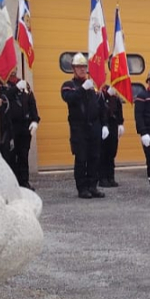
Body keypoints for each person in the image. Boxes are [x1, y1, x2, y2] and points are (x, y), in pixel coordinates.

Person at [61, 54, 107, 199]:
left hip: (94, 126)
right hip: (79, 128)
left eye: (84, 67)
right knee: (81, 158)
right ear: (73, 69)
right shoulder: (68, 85)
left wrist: (104, 124)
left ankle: (93, 186)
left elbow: (101, 107)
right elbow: (69, 98)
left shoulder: (92, 87)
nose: (82, 69)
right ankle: (82, 188)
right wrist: (82, 89)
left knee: (95, 157)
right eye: (79, 67)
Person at [6, 72, 39, 189]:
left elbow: (32, 102)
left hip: (24, 126)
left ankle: (24, 181)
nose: (13, 70)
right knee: (11, 156)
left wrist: (35, 120)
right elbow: (4, 97)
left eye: (15, 67)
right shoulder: (2, 84)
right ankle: (13, 183)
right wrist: (16, 88)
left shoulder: (24, 84)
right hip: (10, 127)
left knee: (23, 155)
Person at [98, 84, 124, 188]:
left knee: (112, 152)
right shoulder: (100, 96)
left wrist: (121, 123)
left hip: (113, 126)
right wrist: (106, 96)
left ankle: (111, 177)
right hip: (104, 126)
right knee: (103, 153)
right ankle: (102, 178)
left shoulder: (116, 98)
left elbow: (119, 111)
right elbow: (100, 109)